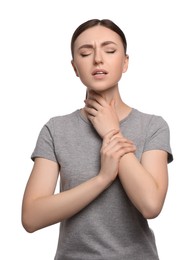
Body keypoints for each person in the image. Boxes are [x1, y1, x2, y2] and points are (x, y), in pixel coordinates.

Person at [21, 18, 173, 260]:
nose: (98, 59)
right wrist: (102, 179)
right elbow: (31, 217)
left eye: (110, 50)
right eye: (85, 53)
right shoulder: (56, 129)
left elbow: (151, 205)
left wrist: (111, 132)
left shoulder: (152, 126)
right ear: (74, 67)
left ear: (125, 63)